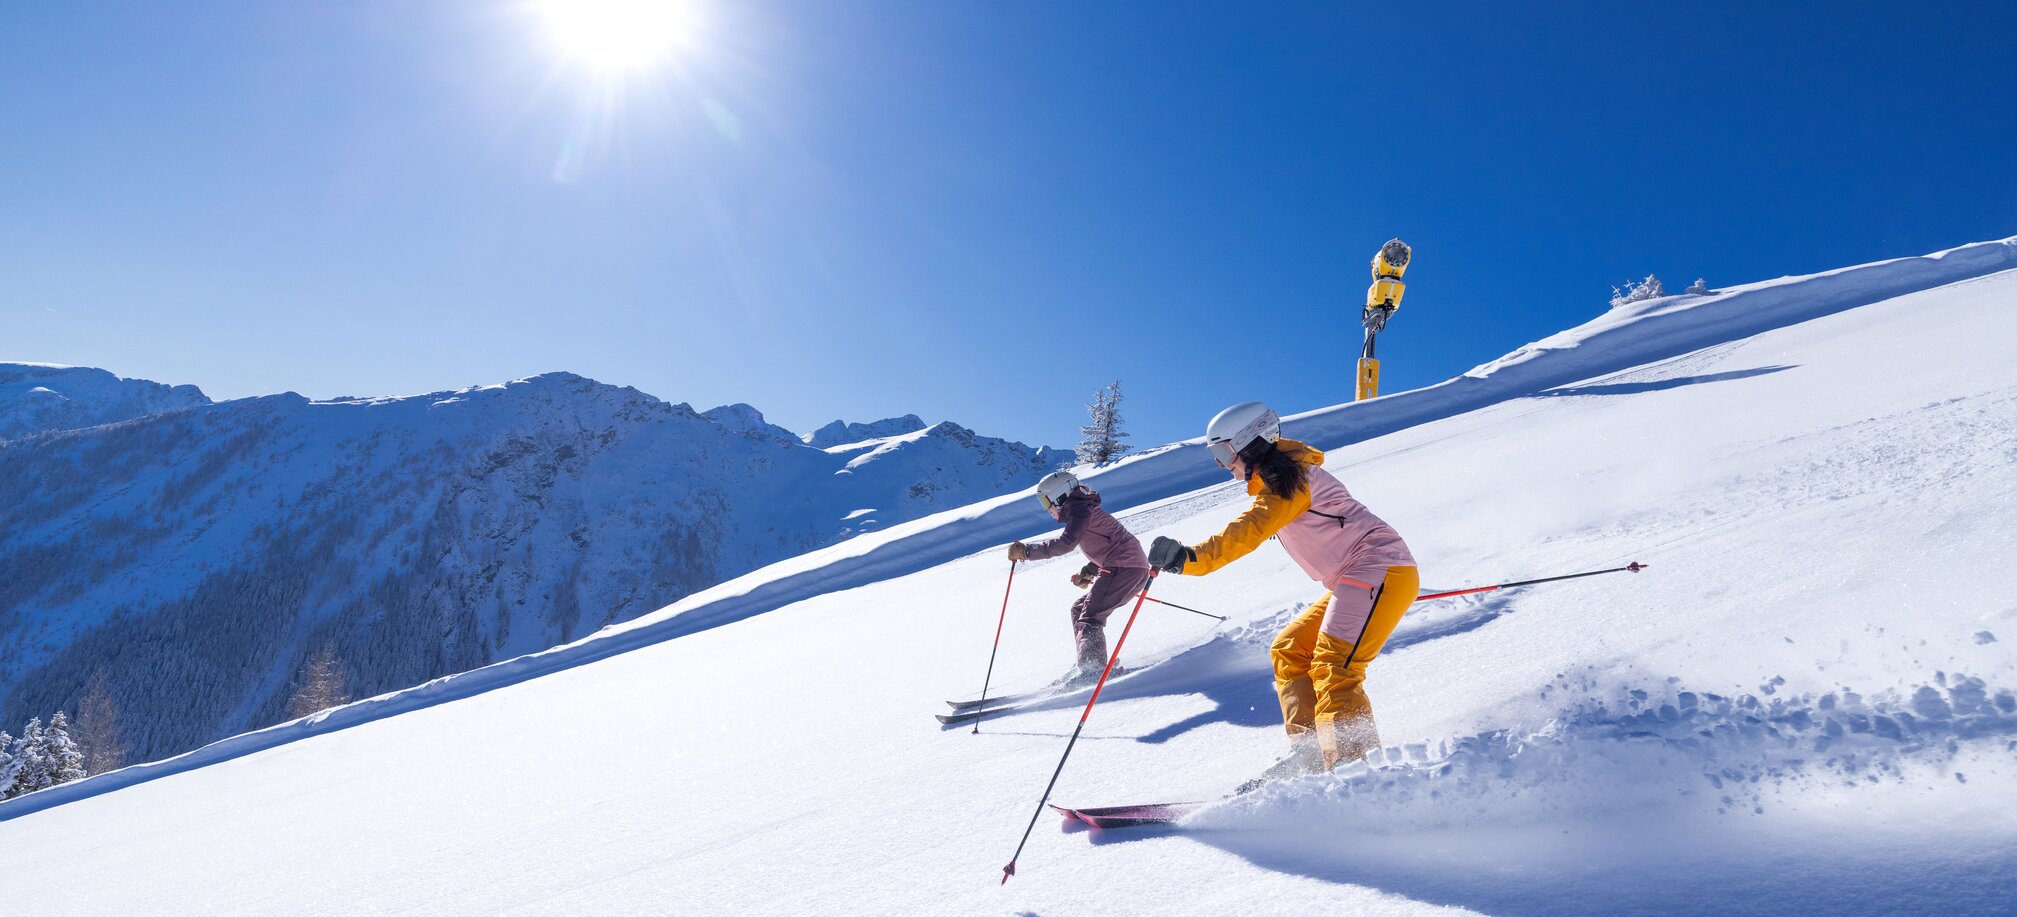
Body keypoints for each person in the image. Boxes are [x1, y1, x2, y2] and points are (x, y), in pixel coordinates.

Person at [1147, 402, 1418, 774]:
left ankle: (1353, 767)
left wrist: (1191, 557)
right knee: (1290, 649)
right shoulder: (1282, 482)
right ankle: (1311, 753)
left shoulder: (1293, 481)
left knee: (1334, 664)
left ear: (1248, 442)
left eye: (1222, 452)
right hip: (1358, 579)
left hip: (1379, 569)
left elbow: (1249, 529)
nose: (1221, 464)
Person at [1008, 470, 1152, 686]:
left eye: (1045, 501)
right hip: (1127, 567)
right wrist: (1090, 570)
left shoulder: (1080, 510)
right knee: (1079, 609)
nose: (1046, 508)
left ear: (1059, 496)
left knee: (1091, 616)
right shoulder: (1082, 509)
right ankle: (1089, 664)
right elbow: (1108, 543)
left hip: (1125, 567)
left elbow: (1067, 543)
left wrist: (1028, 552)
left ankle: (1093, 668)